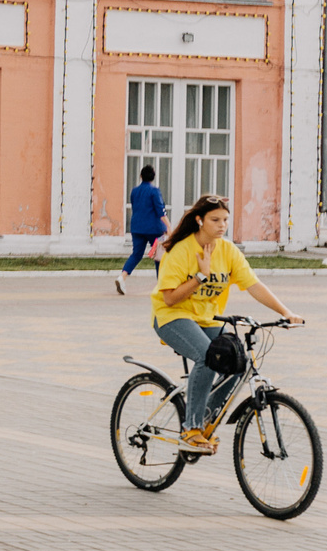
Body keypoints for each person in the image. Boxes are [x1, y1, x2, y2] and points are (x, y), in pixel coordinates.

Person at [152, 195, 304, 452]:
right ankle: (191, 429)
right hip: (172, 317)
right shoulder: (181, 250)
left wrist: (286, 312)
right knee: (207, 356)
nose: (222, 225)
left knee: (239, 361)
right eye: (215, 220)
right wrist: (201, 275)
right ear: (199, 220)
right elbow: (169, 298)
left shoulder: (227, 250)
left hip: (206, 319)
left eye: (225, 220)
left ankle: (204, 414)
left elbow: (253, 285)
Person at [115, 164, 166, 296]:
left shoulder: (134, 191)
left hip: (137, 227)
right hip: (154, 229)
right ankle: (161, 285)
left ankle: (122, 277)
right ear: (153, 177)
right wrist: (168, 228)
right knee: (158, 256)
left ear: (141, 176)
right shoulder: (155, 191)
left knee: (136, 254)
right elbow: (160, 211)